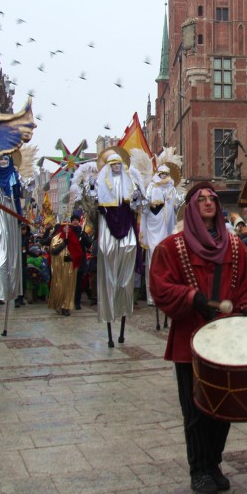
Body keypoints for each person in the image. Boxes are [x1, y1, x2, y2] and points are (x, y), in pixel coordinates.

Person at [149, 182, 247, 494]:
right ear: (191, 208)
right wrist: (190, 297)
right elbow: (160, 287)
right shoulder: (172, 247)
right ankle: (198, 470)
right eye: (202, 199)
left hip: (226, 340)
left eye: (213, 198)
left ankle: (213, 464)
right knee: (196, 410)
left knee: (224, 406)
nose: (209, 202)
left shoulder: (236, 247)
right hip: (190, 341)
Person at [96, 147, 145, 346]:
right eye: (112, 164)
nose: (116, 167)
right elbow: (95, 205)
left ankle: (124, 310)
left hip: (127, 229)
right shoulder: (101, 182)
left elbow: (140, 204)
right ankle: (108, 317)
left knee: (125, 277)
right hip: (108, 228)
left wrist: (136, 198)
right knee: (108, 274)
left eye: (118, 164)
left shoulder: (129, 182)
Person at [0, 150, 24, 338]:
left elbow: (17, 198)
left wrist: (19, 217)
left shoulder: (13, 177)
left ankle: (9, 291)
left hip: (8, 214)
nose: (3, 161)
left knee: (9, 257)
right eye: (0, 158)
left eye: (6, 159)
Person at [143, 164, 182, 305]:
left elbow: (177, 206)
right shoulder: (152, 187)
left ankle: (166, 293)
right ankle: (151, 296)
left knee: (167, 261)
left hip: (167, 228)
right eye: (161, 174)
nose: (164, 176)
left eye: (166, 174)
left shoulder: (172, 189)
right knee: (153, 259)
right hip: (154, 228)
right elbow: (146, 205)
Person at [48, 217, 83, 316]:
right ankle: (58, 304)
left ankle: (66, 306)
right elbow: (53, 252)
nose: (67, 229)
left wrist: (72, 258)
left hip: (70, 269)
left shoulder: (74, 238)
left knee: (68, 287)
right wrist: (63, 244)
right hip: (59, 268)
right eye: (65, 227)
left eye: (69, 227)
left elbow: (78, 252)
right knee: (59, 286)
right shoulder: (56, 238)